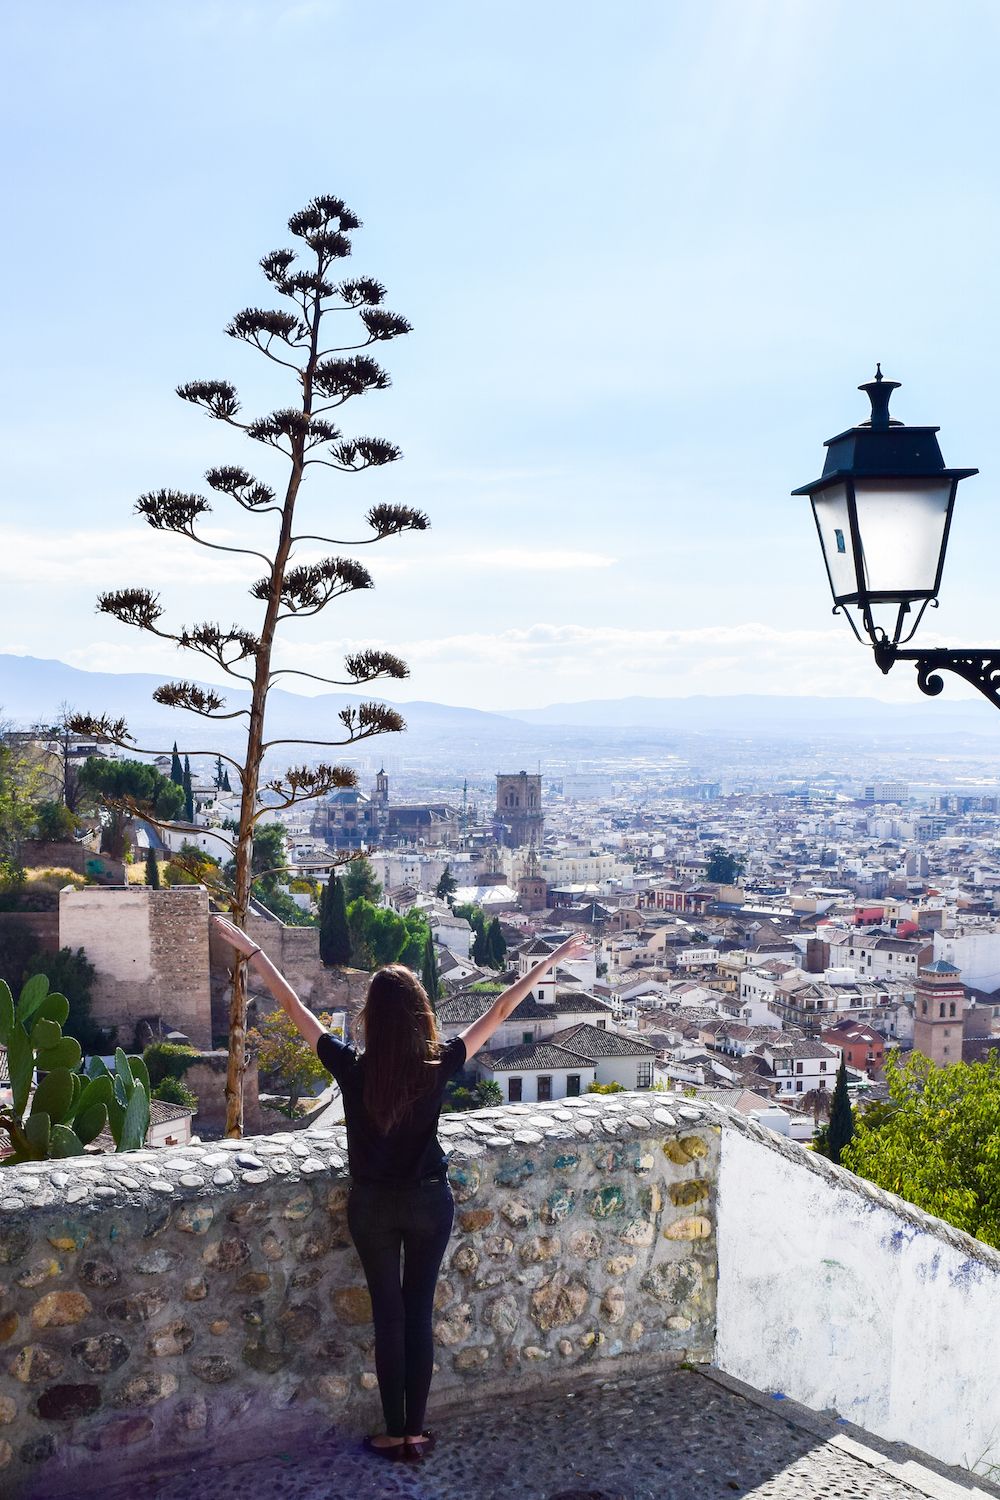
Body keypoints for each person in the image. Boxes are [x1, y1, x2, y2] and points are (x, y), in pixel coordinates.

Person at [211, 912, 589, 1464]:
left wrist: (254, 954)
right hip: (429, 1201)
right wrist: (549, 964)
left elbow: (295, 1010)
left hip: (371, 1206)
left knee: (389, 1316)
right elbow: (501, 1010)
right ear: (419, 1016)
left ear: (371, 1018)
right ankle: (416, 1429)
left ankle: (394, 1431)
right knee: (418, 1313)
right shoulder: (437, 1065)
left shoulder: (352, 1068)